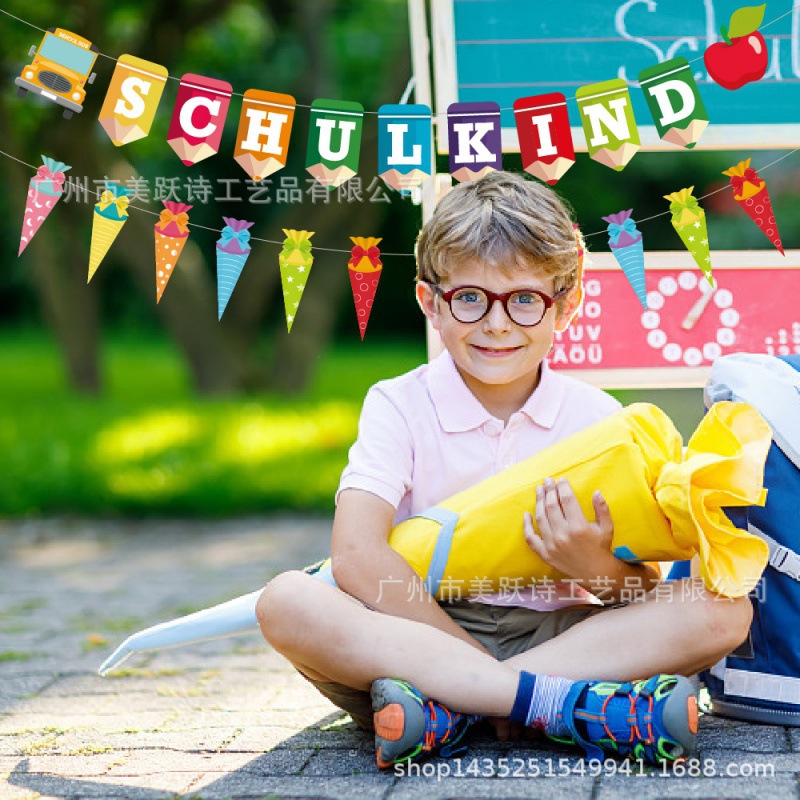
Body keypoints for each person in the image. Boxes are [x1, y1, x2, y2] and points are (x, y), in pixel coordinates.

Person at [255, 171, 752, 769]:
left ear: (565, 306)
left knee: (725, 609)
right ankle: (570, 710)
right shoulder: (398, 402)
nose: (497, 324)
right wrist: (462, 657)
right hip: (413, 628)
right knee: (285, 600)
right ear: (431, 302)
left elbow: (640, 595)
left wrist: (592, 565)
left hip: (564, 638)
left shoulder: (597, 419)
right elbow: (357, 554)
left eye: (524, 299)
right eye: (470, 298)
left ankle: (445, 713)